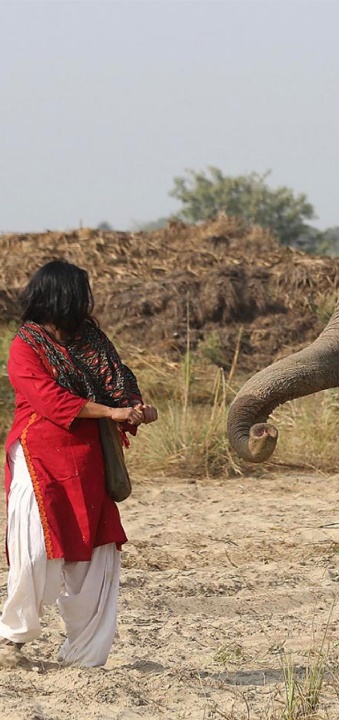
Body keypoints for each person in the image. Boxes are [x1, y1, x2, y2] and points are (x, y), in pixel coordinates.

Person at [0, 260, 158, 668]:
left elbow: (119, 382)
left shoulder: (92, 339)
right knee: (36, 549)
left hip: (90, 460)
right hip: (40, 460)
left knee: (97, 553)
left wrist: (135, 409)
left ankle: (85, 656)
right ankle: (11, 641)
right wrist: (110, 413)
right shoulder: (26, 346)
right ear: (60, 296)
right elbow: (50, 401)